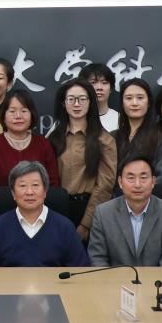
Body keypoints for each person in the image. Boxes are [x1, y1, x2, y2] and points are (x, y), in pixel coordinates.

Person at [0, 161, 89, 267]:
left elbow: (81, 271)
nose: (29, 192)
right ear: (13, 193)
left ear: (45, 191)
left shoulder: (64, 227)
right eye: (22, 186)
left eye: (35, 185)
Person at [49, 79, 117, 241]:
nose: (76, 104)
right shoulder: (53, 139)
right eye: (71, 99)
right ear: (63, 103)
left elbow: (105, 185)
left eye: (82, 99)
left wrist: (86, 224)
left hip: (90, 210)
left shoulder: (104, 140)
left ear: (90, 102)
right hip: (58, 209)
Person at [0, 89, 59, 220]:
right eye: (12, 111)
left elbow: (52, 184)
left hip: (39, 218)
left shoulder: (43, 144)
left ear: (32, 115)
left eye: (24, 111)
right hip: (0, 218)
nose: (18, 116)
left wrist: (34, 214)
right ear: (3, 115)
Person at [87, 154, 162, 267]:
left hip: (158, 278)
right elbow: (97, 259)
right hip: (115, 278)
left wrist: (151, 279)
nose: (137, 185)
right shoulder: (103, 214)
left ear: (153, 182)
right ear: (120, 182)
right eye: (131, 178)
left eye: (143, 177)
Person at [114, 79, 162, 185]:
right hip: (115, 195)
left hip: (150, 195)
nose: (134, 103)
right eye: (129, 98)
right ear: (122, 104)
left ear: (148, 103)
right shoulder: (112, 137)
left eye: (140, 98)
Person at [81, 63, 119, 133]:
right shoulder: (73, 118)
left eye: (104, 82)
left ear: (111, 88)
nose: (99, 87)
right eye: (93, 82)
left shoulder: (120, 119)